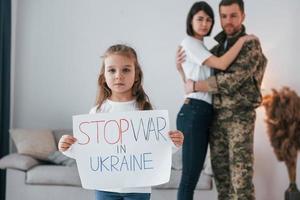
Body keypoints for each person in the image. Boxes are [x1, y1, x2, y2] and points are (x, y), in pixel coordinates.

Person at [58, 44, 184, 200]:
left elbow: (158, 151)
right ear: (103, 76)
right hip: (105, 186)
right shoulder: (97, 112)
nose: (118, 75)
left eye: (126, 69)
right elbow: (88, 154)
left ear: (136, 75)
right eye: (112, 70)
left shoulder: (146, 111)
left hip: (139, 187)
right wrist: (67, 148)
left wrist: (174, 143)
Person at [177, 0, 267, 199]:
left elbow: (233, 80)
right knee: (222, 182)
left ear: (242, 16)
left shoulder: (250, 43)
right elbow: (198, 73)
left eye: (234, 15)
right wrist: (182, 72)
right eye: (224, 16)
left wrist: (195, 86)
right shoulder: (217, 49)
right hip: (216, 120)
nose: (228, 21)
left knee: (241, 181)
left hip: (239, 119)